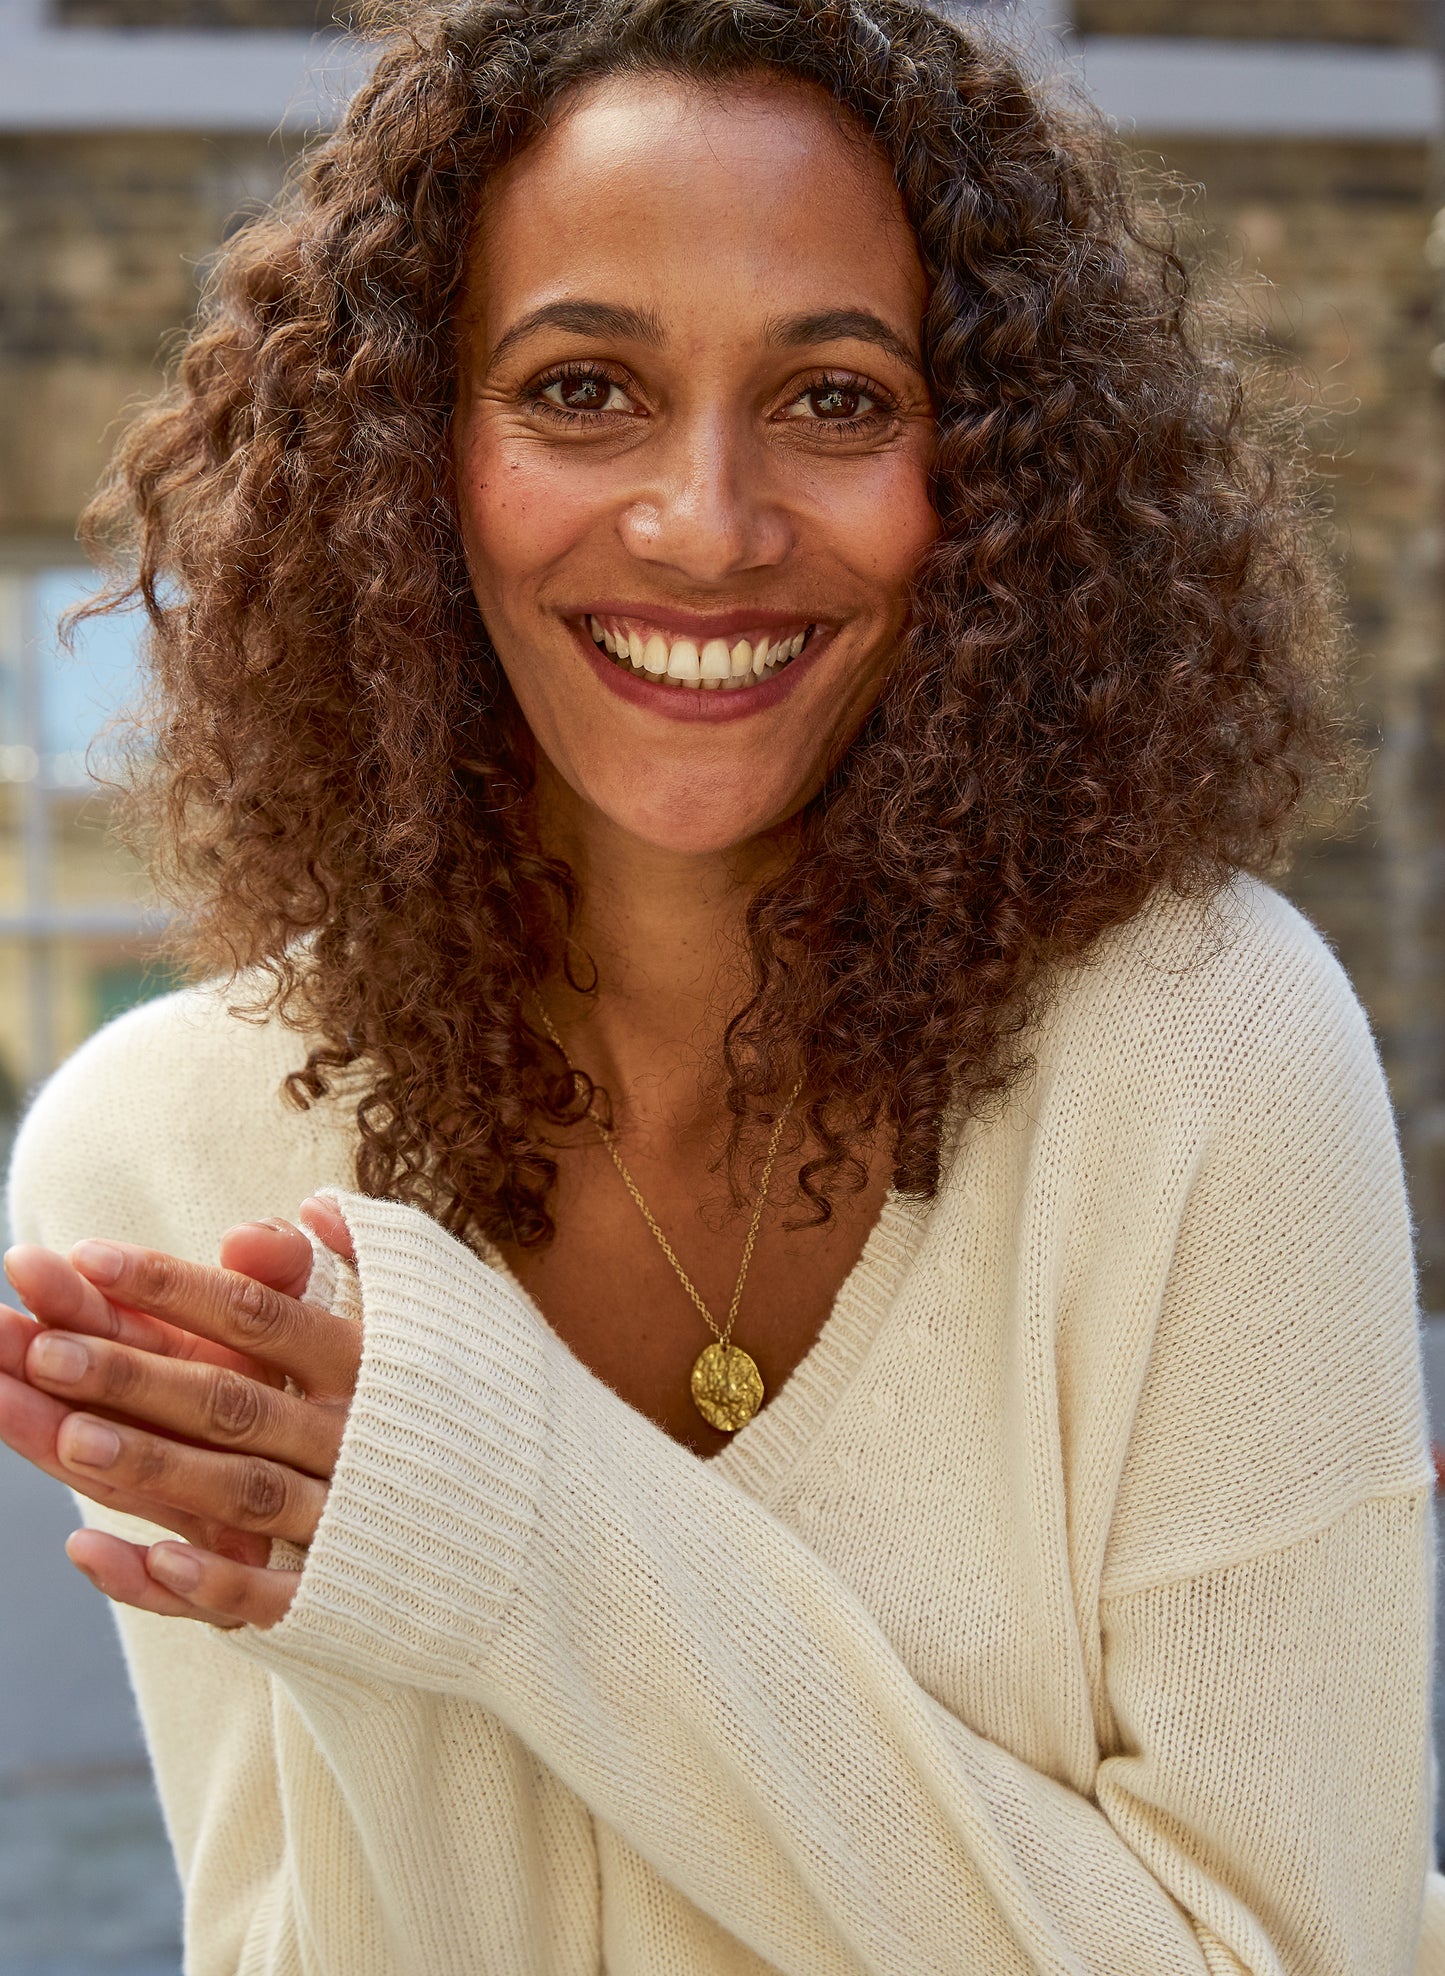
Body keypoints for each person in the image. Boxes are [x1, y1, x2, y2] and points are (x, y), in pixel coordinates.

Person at [0, 0, 1439, 1968]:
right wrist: (389, 1640)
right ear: (415, 462)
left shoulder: (1204, 1055)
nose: (708, 523)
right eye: (581, 387)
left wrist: (509, 1523)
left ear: (990, 474)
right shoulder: (169, 1156)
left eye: (835, 399)